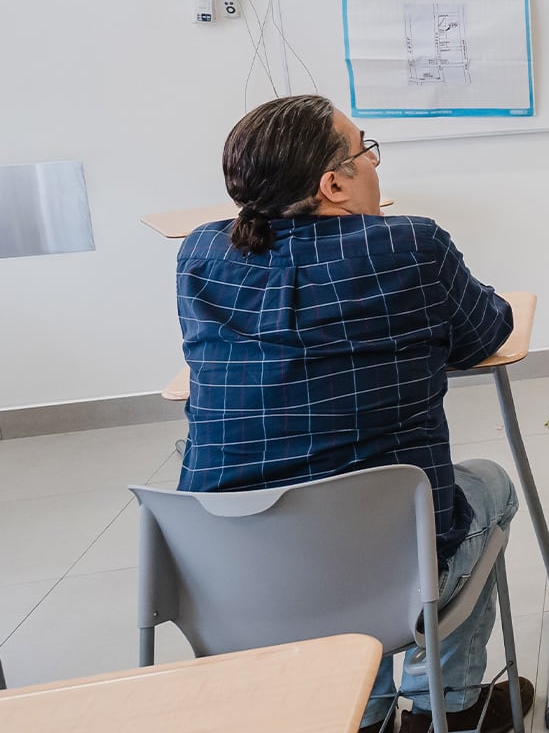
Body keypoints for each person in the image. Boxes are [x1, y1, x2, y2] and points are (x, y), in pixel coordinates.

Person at [176, 95, 530, 733]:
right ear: (331, 183)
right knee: (490, 486)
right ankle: (445, 709)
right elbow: (485, 335)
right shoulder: (410, 245)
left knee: (329, 522)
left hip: (232, 577)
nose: (375, 163)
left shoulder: (202, 253)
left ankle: (355, 714)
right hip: (389, 571)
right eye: (365, 148)